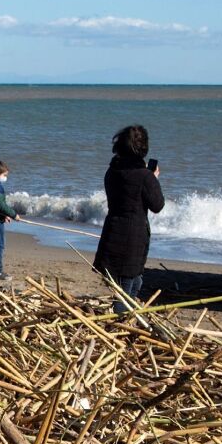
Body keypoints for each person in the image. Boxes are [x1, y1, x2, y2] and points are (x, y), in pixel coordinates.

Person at [93, 124, 164, 312]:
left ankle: (125, 317)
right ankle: (121, 319)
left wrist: (149, 177)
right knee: (127, 286)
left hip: (113, 230)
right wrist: (153, 179)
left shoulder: (112, 171)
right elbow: (157, 205)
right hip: (132, 237)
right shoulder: (144, 176)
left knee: (132, 282)